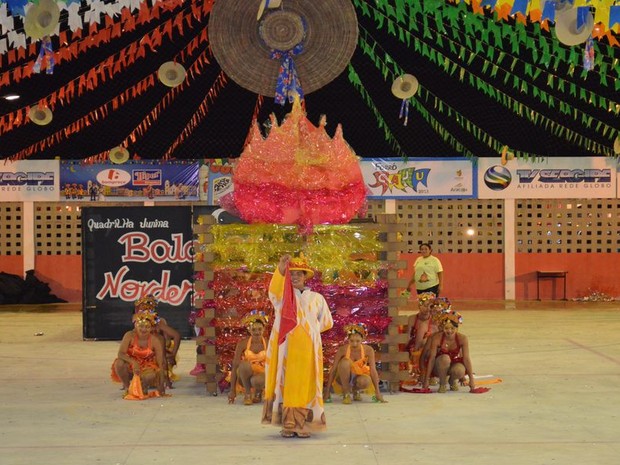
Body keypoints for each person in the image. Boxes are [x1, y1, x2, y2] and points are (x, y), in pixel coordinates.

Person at [262, 254, 333, 438]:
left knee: (306, 384)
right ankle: (288, 424)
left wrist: (310, 331)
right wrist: (280, 269)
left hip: (308, 350)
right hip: (286, 348)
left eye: (298, 274)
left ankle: (303, 424)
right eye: (291, 274)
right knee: (286, 383)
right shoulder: (282, 297)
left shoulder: (317, 298)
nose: (294, 277)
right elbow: (272, 291)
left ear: (305, 276)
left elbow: (326, 322)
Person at [324, 322, 386, 404]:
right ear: (348, 339)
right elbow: (333, 369)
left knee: (365, 381)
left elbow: (373, 370)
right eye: (351, 341)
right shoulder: (342, 349)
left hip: (358, 377)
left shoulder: (369, 350)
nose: (354, 344)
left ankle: (356, 391)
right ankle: (346, 393)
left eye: (358, 341)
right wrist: (327, 392)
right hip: (342, 378)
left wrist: (378, 392)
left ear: (363, 339)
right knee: (345, 362)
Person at [111, 310, 166, 399]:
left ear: (152, 328)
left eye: (147, 327)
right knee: (119, 363)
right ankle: (127, 387)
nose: (143, 329)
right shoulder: (129, 335)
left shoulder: (155, 340)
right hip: (130, 365)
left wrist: (162, 384)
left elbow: (161, 364)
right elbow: (120, 354)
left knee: (150, 375)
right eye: (141, 326)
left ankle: (143, 386)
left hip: (147, 367)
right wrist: (133, 362)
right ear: (135, 326)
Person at [422, 309, 476, 393]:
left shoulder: (462, 338)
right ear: (443, 328)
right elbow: (431, 359)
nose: (449, 331)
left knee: (460, 370)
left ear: (457, 328)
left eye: (452, 328)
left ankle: (452, 381)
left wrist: (471, 380)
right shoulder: (436, 338)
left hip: (452, 365)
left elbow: (466, 359)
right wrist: (426, 379)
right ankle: (442, 383)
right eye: (446, 328)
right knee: (445, 358)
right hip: (438, 367)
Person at [134, 295, 181, 389]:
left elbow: (176, 336)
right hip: (142, 354)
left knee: (161, 356)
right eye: (142, 307)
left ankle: (165, 381)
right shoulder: (136, 321)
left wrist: (173, 355)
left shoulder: (158, 323)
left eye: (147, 307)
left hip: (157, 353)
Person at [228, 310, 268, 405]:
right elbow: (235, 366)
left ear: (263, 329)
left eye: (259, 329)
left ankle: (258, 393)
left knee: (257, 380)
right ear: (249, 330)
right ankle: (247, 393)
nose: (257, 332)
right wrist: (232, 390)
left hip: (262, 375)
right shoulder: (243, 343)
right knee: (243, 365)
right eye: (253, 330)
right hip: (245, 375)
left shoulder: (269, 342)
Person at [405, 292, 437, 382]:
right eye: (425, 306)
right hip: (413, 345)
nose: (428, 309)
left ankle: (430, 373)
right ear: (419, 306)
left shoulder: (434, 321)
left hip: (427, 348)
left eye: (430, 306)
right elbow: (407, 336)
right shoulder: (412, 319)